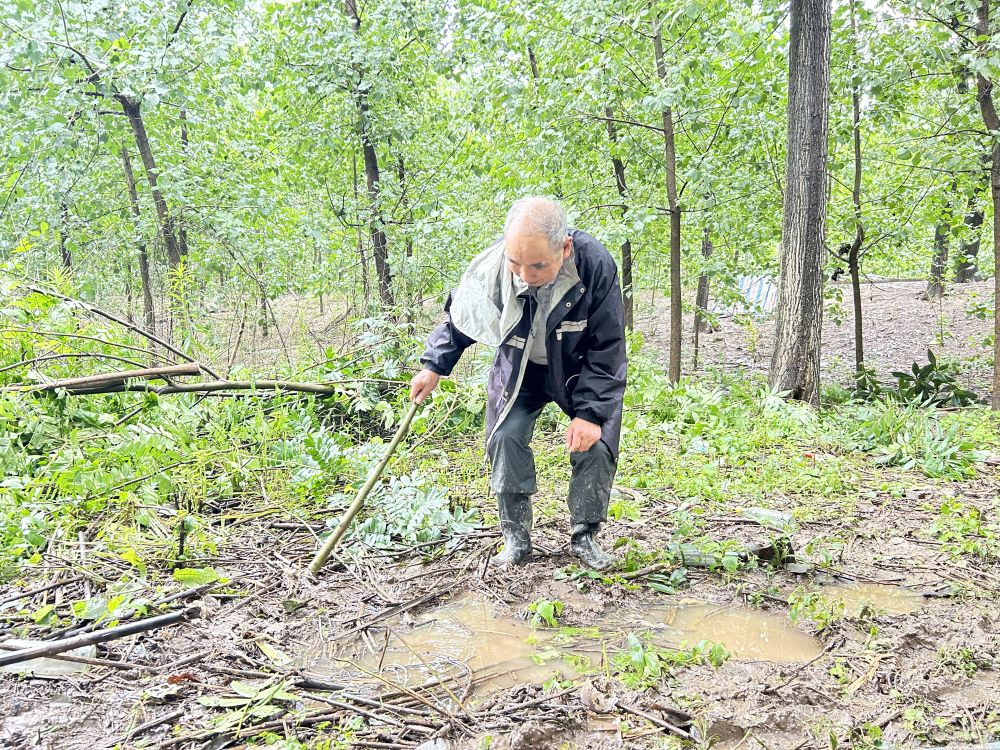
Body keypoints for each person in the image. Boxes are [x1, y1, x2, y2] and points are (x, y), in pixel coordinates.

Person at [409, 197, 627, 570]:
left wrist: (590, 414)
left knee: (596, 443)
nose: (525, 274)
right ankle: (516, 538)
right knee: (505, 437)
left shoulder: (594, 265)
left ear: (564, 248)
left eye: (537, 265)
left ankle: (585, 536)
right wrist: (433, 365)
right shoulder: (495, 265)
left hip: (577, 369)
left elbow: (608, 346)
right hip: (520, 368)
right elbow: (464, 317)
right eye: (516, 263)